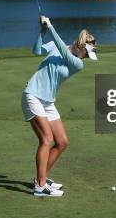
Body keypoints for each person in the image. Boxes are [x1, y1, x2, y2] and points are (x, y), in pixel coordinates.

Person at [22, 15, 98, 197]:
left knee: (62, 142)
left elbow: (64, 53)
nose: (87, 57)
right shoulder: (58, 46)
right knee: (47, 139)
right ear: (81, 48)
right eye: (88, 53)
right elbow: (36, 50)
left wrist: (51, 27)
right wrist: (43, 31)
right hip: (32, 95)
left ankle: (42, 177)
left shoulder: (78, 64)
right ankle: (40, 186)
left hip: (48, 101)